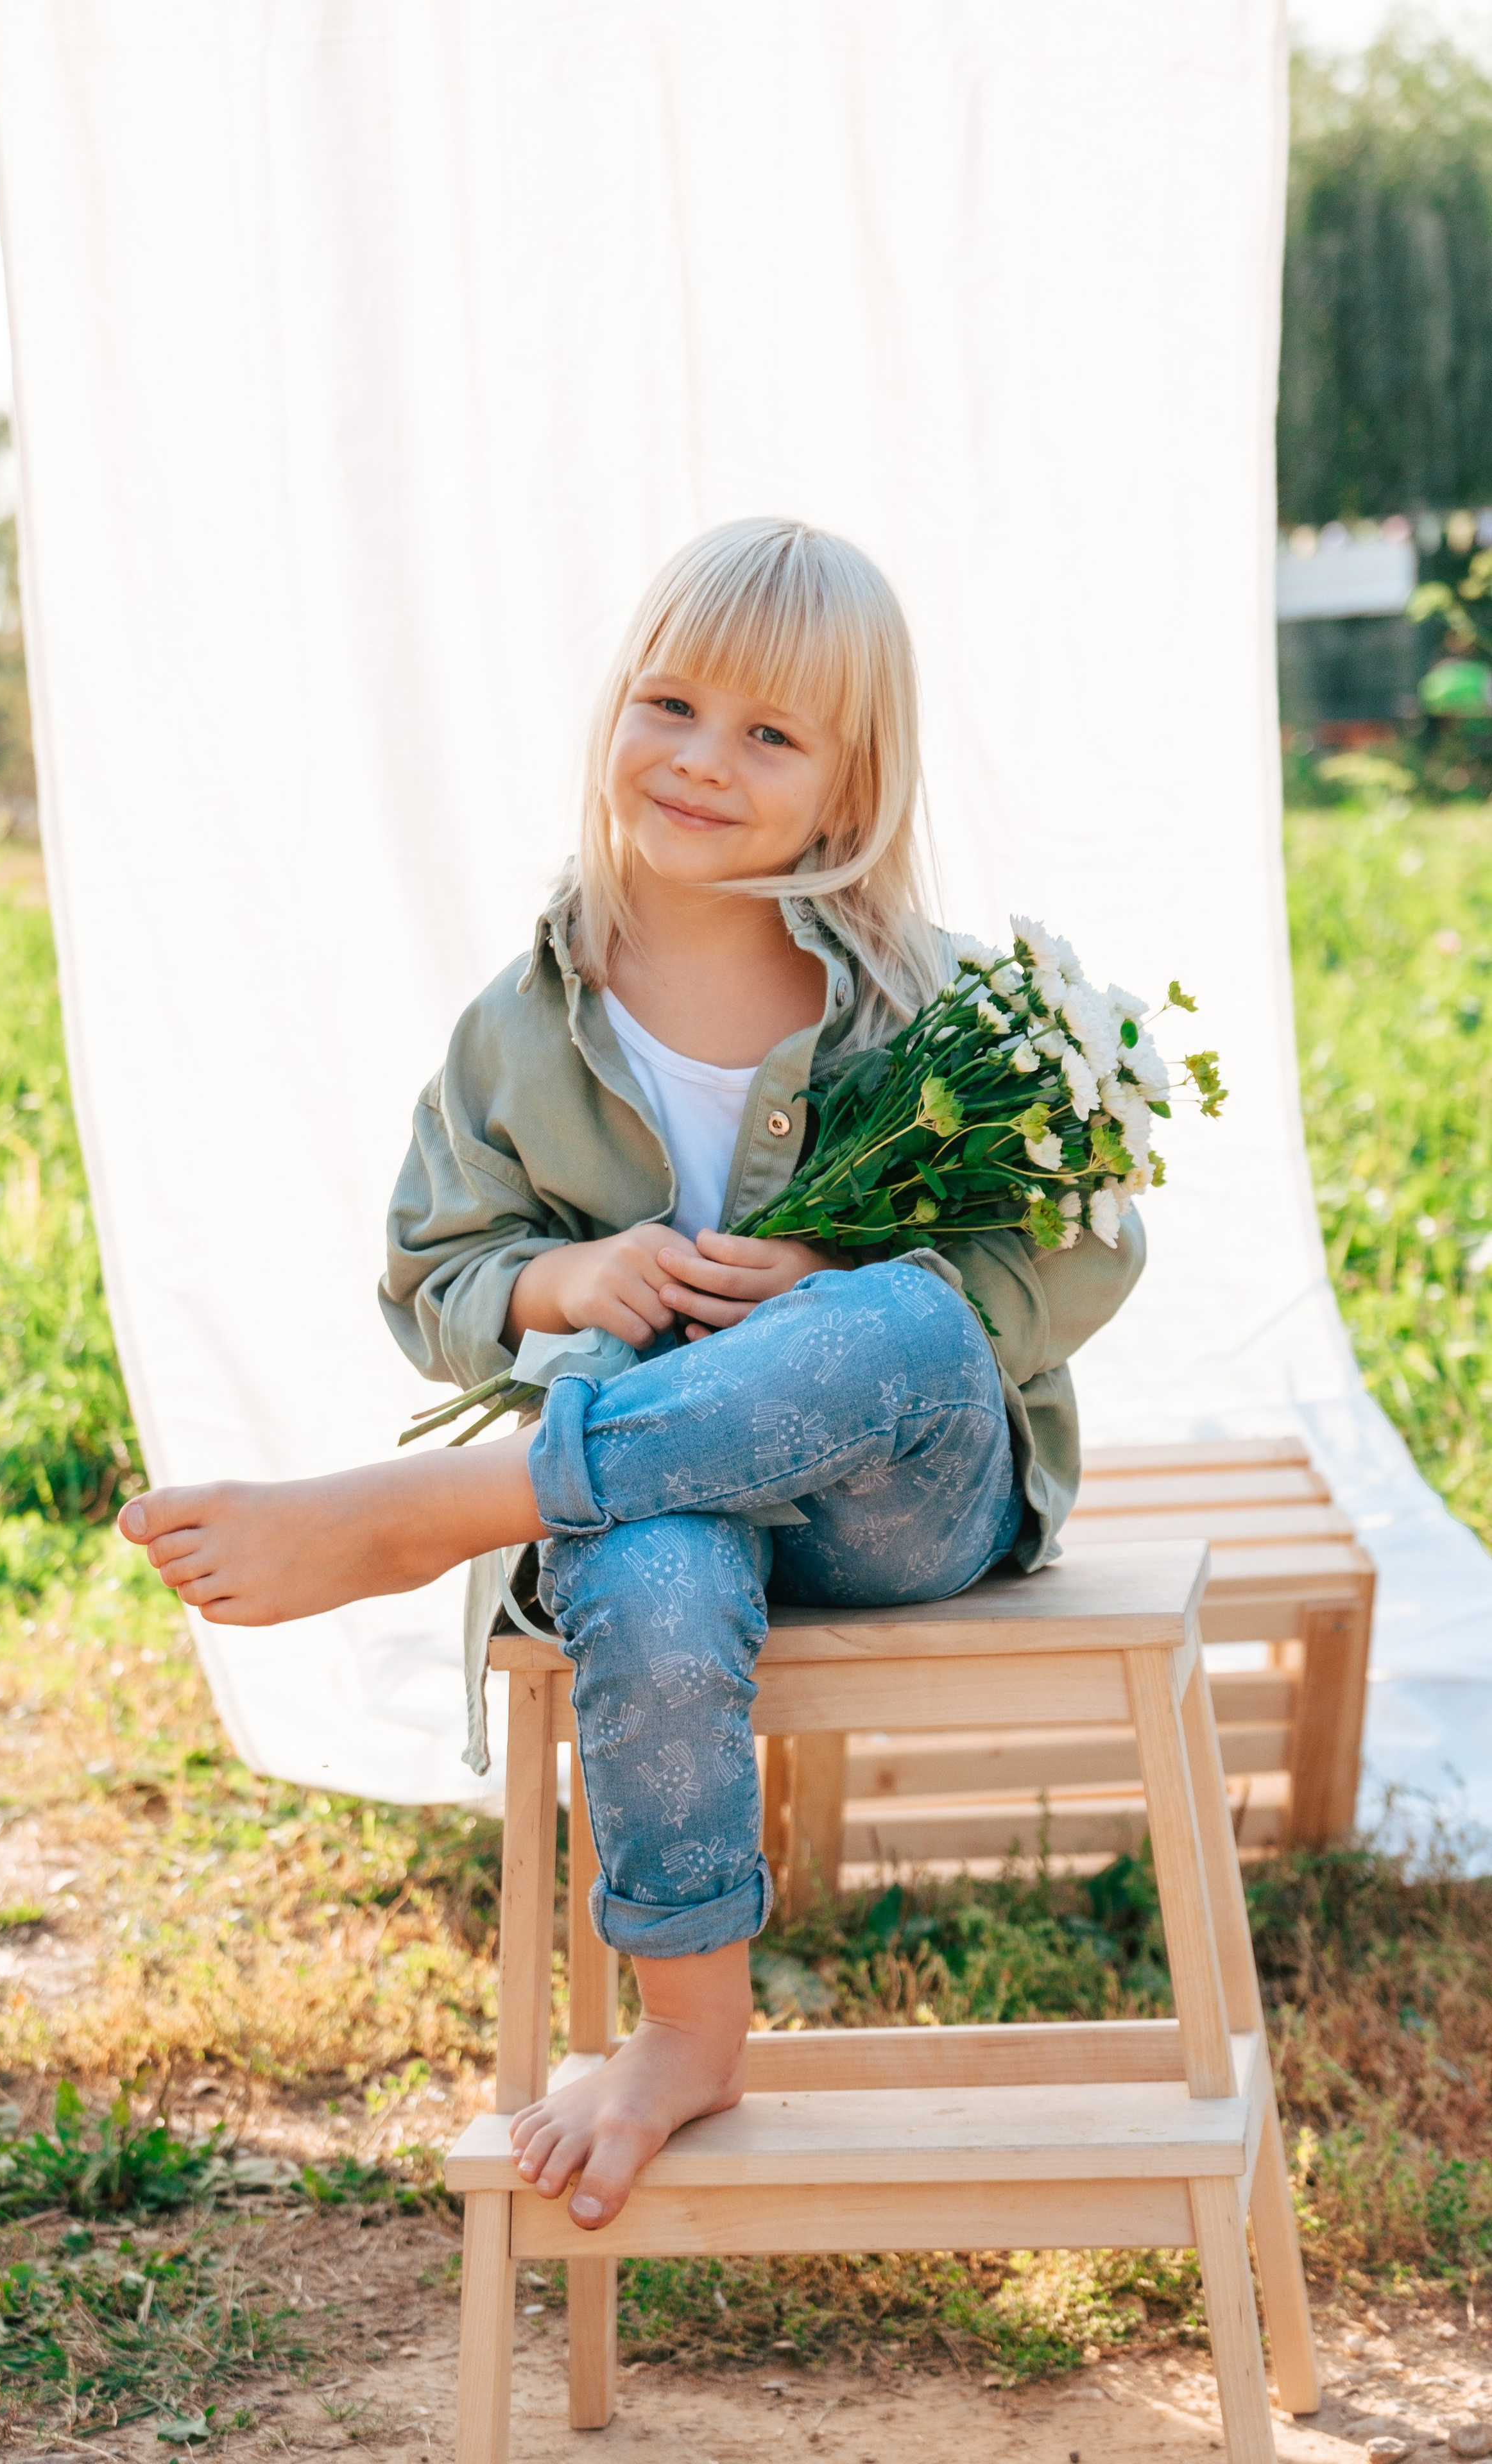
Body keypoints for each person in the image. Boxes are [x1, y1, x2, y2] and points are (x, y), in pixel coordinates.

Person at [117, 517, 1145, 2232]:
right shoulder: (522, 1024)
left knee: (903, 1323)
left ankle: (460, 1506)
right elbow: (437, 1268)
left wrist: (828, 1283)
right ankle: (687, 2030)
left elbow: (1084, 1247)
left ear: (850, 783)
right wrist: (567, 1279)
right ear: (615, 708)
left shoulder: (939, 1003)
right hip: (671, 1516)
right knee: (651, 1575)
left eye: (770, 733)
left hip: (897, 1511)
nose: (702, 759)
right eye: (672, 703)